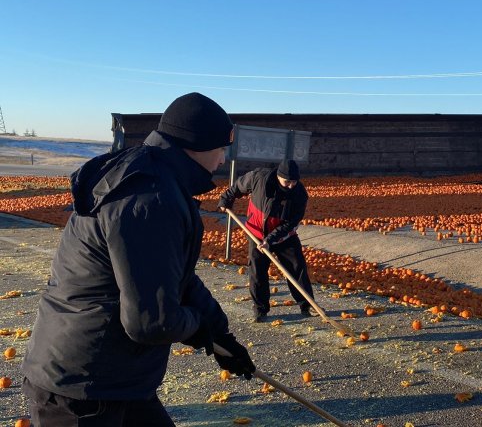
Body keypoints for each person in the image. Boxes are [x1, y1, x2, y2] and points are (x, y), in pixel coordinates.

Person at [21, 92, 256, 426]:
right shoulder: (151, 199)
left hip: (117, 380)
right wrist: (200, 329)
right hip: (82, 387)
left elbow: (177, 277)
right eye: (220, 149)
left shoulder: (155, 179)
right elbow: (151, 321)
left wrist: (221, 336)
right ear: (197, 144)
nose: (221, 161)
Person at [218, 159, 316, 322]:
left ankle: (307, 304)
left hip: (284, 236)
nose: (291, 185)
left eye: (294, 181)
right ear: (279, 176)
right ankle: (260, 309)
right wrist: (226, 199)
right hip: (256, 232)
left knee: (296, 267)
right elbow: (238, 186)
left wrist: (270, 240)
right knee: (257, 271)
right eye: (287, 181)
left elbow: (290, 223)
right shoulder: (258, 178)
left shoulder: (300, 194)